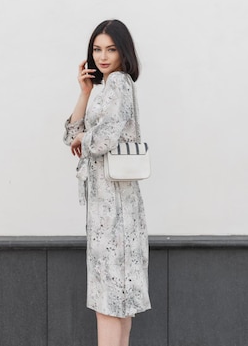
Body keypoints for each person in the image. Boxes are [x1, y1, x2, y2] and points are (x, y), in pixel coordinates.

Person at [63, 19, 150, 346]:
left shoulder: (119, 83)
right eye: (97, 49)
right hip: (107, 210)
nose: (102, 56)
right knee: (115, 300)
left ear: (122, 51)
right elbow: (71, 135)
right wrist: (84, 92)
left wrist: (85, 137)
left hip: (116, 211)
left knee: (109, 302)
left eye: (111, 49)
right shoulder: (104, 88)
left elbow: (102, 139)